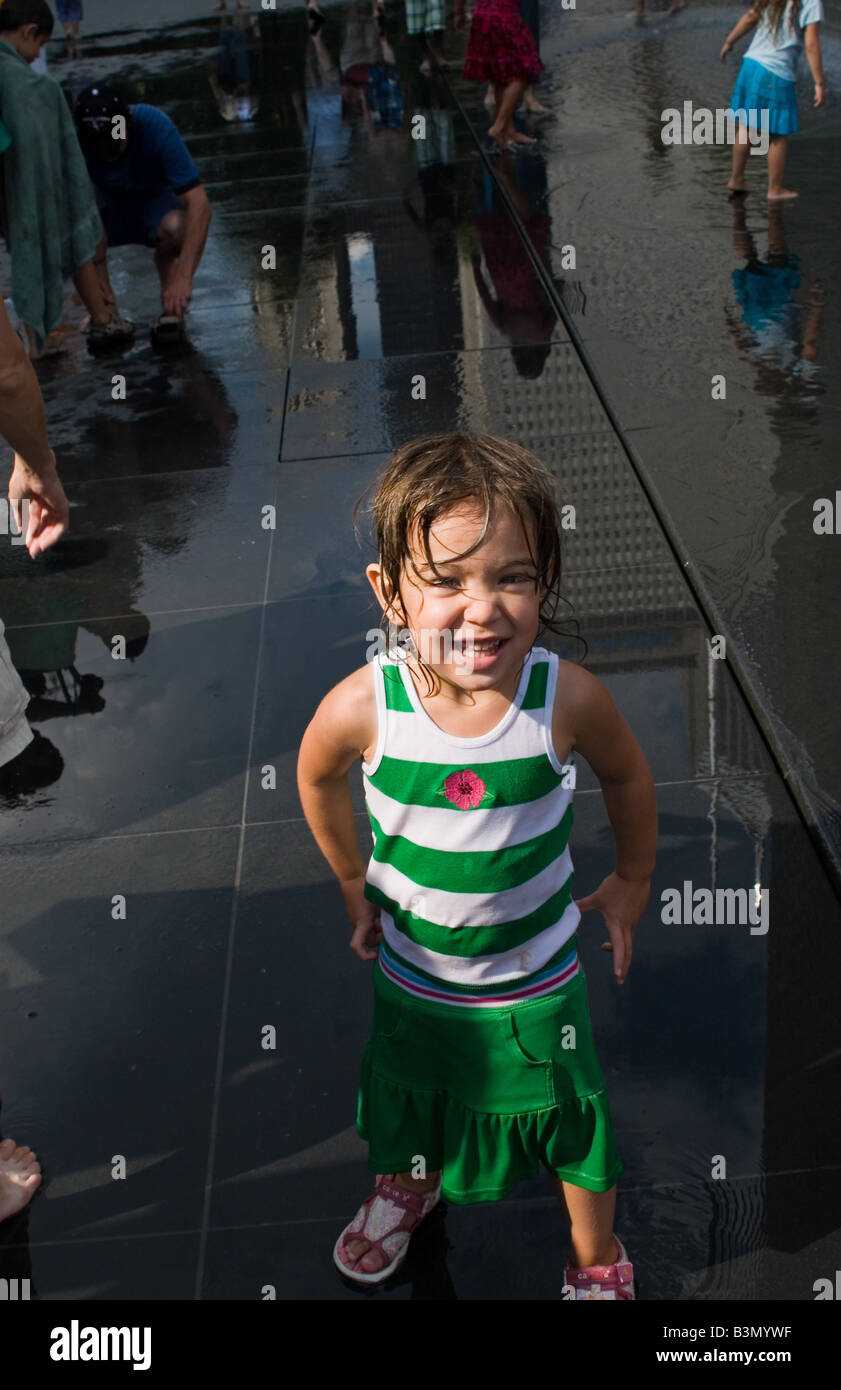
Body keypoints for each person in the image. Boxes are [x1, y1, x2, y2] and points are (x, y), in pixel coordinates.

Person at [297, 434, 657, 1296]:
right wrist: (355, 881)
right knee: (415, 1094)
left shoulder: (560, 697)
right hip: (416, 975)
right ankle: (408, 1190)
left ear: (545, 582)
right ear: (389, 593)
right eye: (448, 580)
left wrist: (633, 879)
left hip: (537, 979)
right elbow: (314, 775)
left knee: (571, 1120)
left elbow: (627, 775)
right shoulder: (365, 707)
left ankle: (596, 1260)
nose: (483, 608)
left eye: (512, 577)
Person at [0, 0, 135, 356]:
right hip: (33, 192)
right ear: (29, 31)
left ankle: (47, 333)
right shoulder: (33, 90)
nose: (35, 57)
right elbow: (48, 174)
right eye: (40, 46)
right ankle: (80, 325)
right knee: (61, 225)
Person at [74, 86, 212, 340]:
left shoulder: (153, 125)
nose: (106, 158)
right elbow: (65, 218)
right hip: (104, 215)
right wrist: (91, 294)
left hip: (151, 207)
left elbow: (199, 203)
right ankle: (106, 313)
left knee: (180, 228)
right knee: (82, 226)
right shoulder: (74, 138)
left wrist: (183, 277)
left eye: (113, 148)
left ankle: (172, 300)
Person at [721, 0, 825, 199]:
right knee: (777, 133)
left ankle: (737, 178)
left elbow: (751, 15)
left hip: (751, 65)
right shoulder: (812, 2)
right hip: (775, 72)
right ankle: (775, 189)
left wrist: (730, 40)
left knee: (747, 126)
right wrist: (819, 82)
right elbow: (811, 43)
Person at [458, 0, 543, 150]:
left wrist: (459, 12)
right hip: (504, 15)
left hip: (482, 15)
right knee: (524, 69)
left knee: (498, 74)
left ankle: (509, 132)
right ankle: (499, 126)